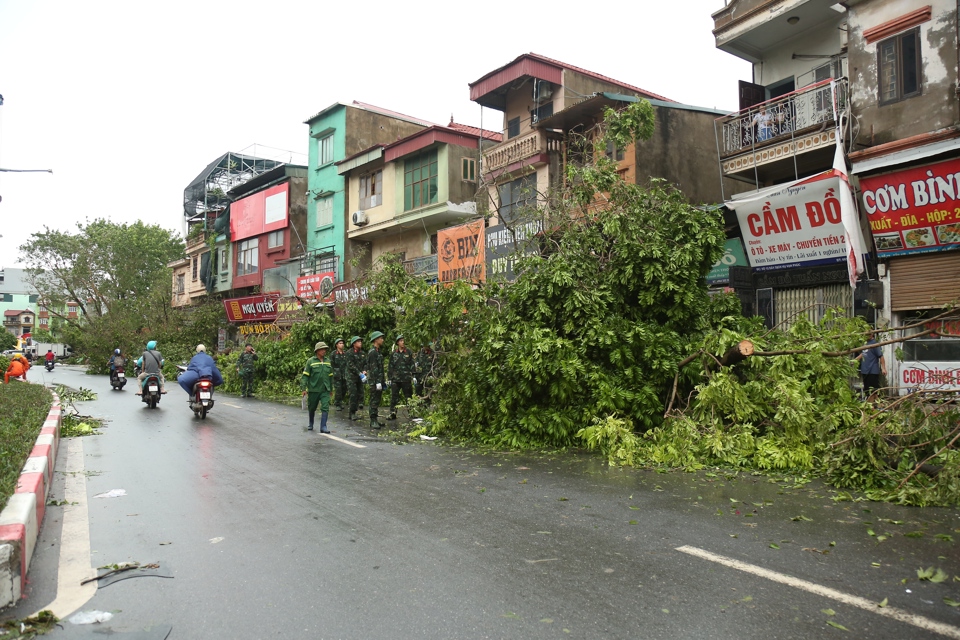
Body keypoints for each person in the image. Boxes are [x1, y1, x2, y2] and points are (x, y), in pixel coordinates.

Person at [300, 341, 333, 432]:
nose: (324, 351)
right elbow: (305, 376)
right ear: (317, 350)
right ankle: (311, 423)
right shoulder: (310, 361)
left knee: (325, 407)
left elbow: (330, 376)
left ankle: (323, 427)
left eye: (325, 349)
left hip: (325, 389)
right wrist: (303, 388)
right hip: (314, 389)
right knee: (312, 407)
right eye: (322, 349)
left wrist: (331, 388)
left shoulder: (327, 361)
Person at [388, 334, 415, 420]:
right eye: (401, 341)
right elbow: (390, 366)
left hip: (406, 378)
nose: (403, 342)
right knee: (394, 397)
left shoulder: (408, 352)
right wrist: (389, 378)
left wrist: (414, 376)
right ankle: (392, 413)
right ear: (397, 343)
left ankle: (411, 413)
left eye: (403, 340)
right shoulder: (394, 354)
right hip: (396, 379)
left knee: (408, 397)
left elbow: (412, 364)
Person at [366, 331, 386, 429]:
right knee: (374, 400)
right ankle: (373, 420)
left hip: (378, 380)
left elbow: (380, 368)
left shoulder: (378, 351)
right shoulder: (373, 352)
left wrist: (382, 380)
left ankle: (375, 419)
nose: (382, 340)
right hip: (374, 381)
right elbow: (374, 369)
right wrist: (377, 381)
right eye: (381, 338)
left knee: (377, 400)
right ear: (376, 340)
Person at [346, 336, 366, 421]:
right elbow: (351, 365)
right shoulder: (349, 353)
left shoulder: (362, 353)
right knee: (353, 394)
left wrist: (364, 370)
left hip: (360, 377)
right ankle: (352, 413)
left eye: (360, 341)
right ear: (354, 343)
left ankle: (356, 410)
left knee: (360, 393)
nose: (360, 343)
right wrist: (359, 373)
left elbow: (366, 363)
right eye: (358, 341)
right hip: (351, 377)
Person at [330, 338, 347, 411]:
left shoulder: (345, 354)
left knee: (344, 389)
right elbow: (331, 364)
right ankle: (337, 403)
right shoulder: (333, 354)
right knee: (338, 390)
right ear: (336, 345)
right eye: (340, 343)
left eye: (342, 343)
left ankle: (340, 401)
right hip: (337, 375)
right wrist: (334, 372)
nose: (342, 345)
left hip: (345, 374)